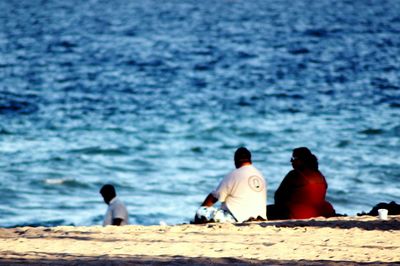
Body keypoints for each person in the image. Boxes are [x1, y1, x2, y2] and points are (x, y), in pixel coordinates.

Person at [195, 147, 267, 223]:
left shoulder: (234, 174)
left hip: (237, 217)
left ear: (235, 160)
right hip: (260, 217)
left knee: (201, 212)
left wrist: (203, 208)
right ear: (250, 160)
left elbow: (215, 196)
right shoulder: (260, 175)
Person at [267, 147, 336, 220]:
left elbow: (278, 196)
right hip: (322, 211)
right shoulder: (320, 175)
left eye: (293, 159)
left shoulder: (295, 174)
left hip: (298, 213)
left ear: (301, 160)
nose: (291, 161)